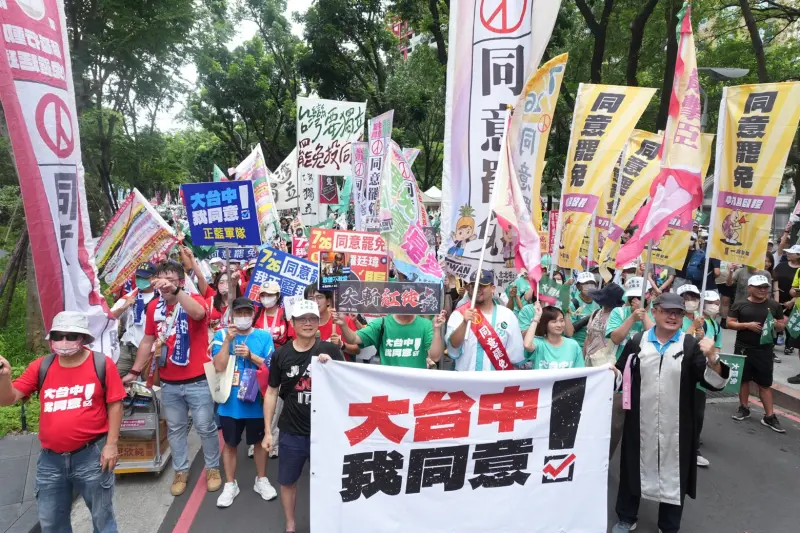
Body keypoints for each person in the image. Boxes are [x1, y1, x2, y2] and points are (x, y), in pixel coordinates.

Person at [611, 293, 729, 533]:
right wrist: (608, 372)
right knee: (633, 466)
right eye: (667, 311)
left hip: (677, 424)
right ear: (654, 312)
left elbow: (714, 383)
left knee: (674, 474)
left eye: (678, 312)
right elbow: (621, 376)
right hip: (640, 421)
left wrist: (712, 357)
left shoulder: (689, 345)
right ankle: (626, 516)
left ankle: (669, 525)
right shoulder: (638, 342)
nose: (672, 316)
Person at [0, 312, 127, 532]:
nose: (64, 341)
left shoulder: (101, 364)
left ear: (83, 337)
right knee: (51, 522)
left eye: (71, 336)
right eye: (58, 336)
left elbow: (115, 404)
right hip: (51, 461)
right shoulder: (41, 366)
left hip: (91, 457)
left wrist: (111, 444)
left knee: (102, 518)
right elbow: (8, 399)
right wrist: (4, 377)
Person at [123, 261, 222, 496]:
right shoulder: (154, 308)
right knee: (176, 429)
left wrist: (176, 292)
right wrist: (134, 371)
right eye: (161, 280)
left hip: (198, 380)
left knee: (205, 427)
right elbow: (148, 340)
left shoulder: (193, 300)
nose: (165, 284)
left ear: (181, 282)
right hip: (169, 382)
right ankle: (181, 471)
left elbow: (198, 314)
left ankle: (212, 468)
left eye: (171, 280)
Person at [261, 300, 344, 533]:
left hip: (325, 432)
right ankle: (290, 523)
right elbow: (271, 392)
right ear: (292, 322)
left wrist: (332, 369)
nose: (308, 323)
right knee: (288, 481)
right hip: (291, 432)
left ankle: (328, 523)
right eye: (302, 319)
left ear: (319, 322)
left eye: (312, 319)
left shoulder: (330, 350)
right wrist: (268, 432)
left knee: (329, 480)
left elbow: (346, 384)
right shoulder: (281, 355)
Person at [211, 297, 278, 507]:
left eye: (246, 313)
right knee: (230, 444)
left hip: (256, 400)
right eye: (238, 313)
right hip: (229, 402)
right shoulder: (221, 335)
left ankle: (261, 479)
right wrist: (228, 341)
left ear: (253, 315)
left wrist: (251, 356)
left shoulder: (264, 336)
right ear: (232, 315)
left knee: (259, 443)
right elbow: (218, 366)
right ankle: (230, 483)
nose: (242, 317)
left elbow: (272, 365)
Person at [728, 274, 786, 433]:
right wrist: (747, 325)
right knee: (743, 380)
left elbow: (781, 325)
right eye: (759, 287)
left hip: (764, 350)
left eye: (765, 287)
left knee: (765, 384)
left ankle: (769, 416)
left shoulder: (774, 305)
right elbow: (729, 323)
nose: (763, 290)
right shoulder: (740, 304)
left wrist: (776, 325)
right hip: (743, 348)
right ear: (749, 288)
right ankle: (744, 408)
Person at [446, 269, 524, 371]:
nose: (477, 289)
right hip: (467, 378)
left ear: (493, 288)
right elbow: (453, 346)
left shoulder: (507, 315)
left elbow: (515, 355)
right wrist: (464, 323)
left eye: (482, 285)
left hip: (497, 379)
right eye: (473, 285)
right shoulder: (459, 314)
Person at [335, 309, 447, 369]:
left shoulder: (426, 325)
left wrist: (436, 329)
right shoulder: (382, 323)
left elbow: (435, 356)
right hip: (389, 386)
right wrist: (343, 325)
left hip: (416, 387)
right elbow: (354, 339)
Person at [112, 262, 158, 377]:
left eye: (145, 277)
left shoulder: (162, 298)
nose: (140, 280)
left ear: (155, 278)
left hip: (149, 349)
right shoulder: (130, 296)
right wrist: (123, 307)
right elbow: (109, 316)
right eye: (138, 277)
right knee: (115, 378)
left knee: (145, 384)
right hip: (127, 346)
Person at [295, 285, 360, 359]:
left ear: (328, 301)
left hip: (338, 365)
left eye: (319, 297)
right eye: (311, 298)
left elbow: (357, 350)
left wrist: (341, 345)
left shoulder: (343, 321)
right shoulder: (299, 324)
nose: (315, 302)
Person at [606, 277, 655, 360]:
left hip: (645, 362)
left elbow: (655, 337)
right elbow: (615, 339)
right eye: (632, 296)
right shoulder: (619, 312)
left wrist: (644, 314)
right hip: (620, 362)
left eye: (639, 296)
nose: (635, 299)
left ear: (651, 294)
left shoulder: (656, 314)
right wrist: (632, 318)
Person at [523, 303, 582, 370]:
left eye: (561, 321)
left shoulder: (573, 345)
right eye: (554, 322)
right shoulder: (538, 343)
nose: (559, 325)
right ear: (545, 324)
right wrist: (536, 318)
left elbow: (580, 371)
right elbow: (527, 345)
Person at [773, 245, 800, 356]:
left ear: (798, 255)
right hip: (779, 298)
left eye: (791, 253)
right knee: (777, 321)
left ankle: (789, 345)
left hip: (794, 302)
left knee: (791, 323)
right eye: (788, 252)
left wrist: (792, 301)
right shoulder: (781, 265)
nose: (788, 254)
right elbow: (774, 278)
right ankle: (772, 342)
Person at [569, 272, 600, 351]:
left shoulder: (597, 303)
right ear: (578, 286)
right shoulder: (574, 304)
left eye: (592, 283)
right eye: (586, 283)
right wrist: (589, 317)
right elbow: (570, 329)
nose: (589, 286)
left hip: (592, 346)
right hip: (577, 346)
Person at [254, 281, 289, 348]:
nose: (265, 298)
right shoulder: (256, 312)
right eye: (262, 295)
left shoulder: (285, 314)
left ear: (278, 295)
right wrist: (234, 286)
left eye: (269, 295)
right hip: (257, 351)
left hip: (279, 352)